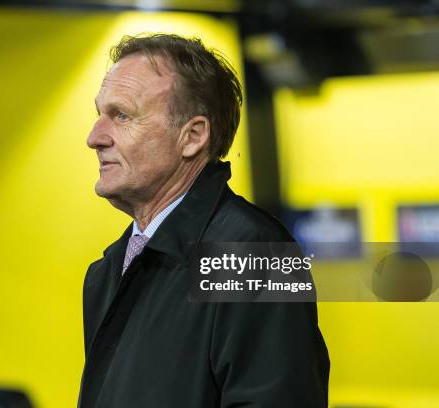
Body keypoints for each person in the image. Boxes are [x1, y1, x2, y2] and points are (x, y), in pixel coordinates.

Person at [79, 33, 329, 408]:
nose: (95, 137)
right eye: (100, 114)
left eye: (122, 115)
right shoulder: (108, 272)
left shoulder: (250, 255)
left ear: (193, 136)